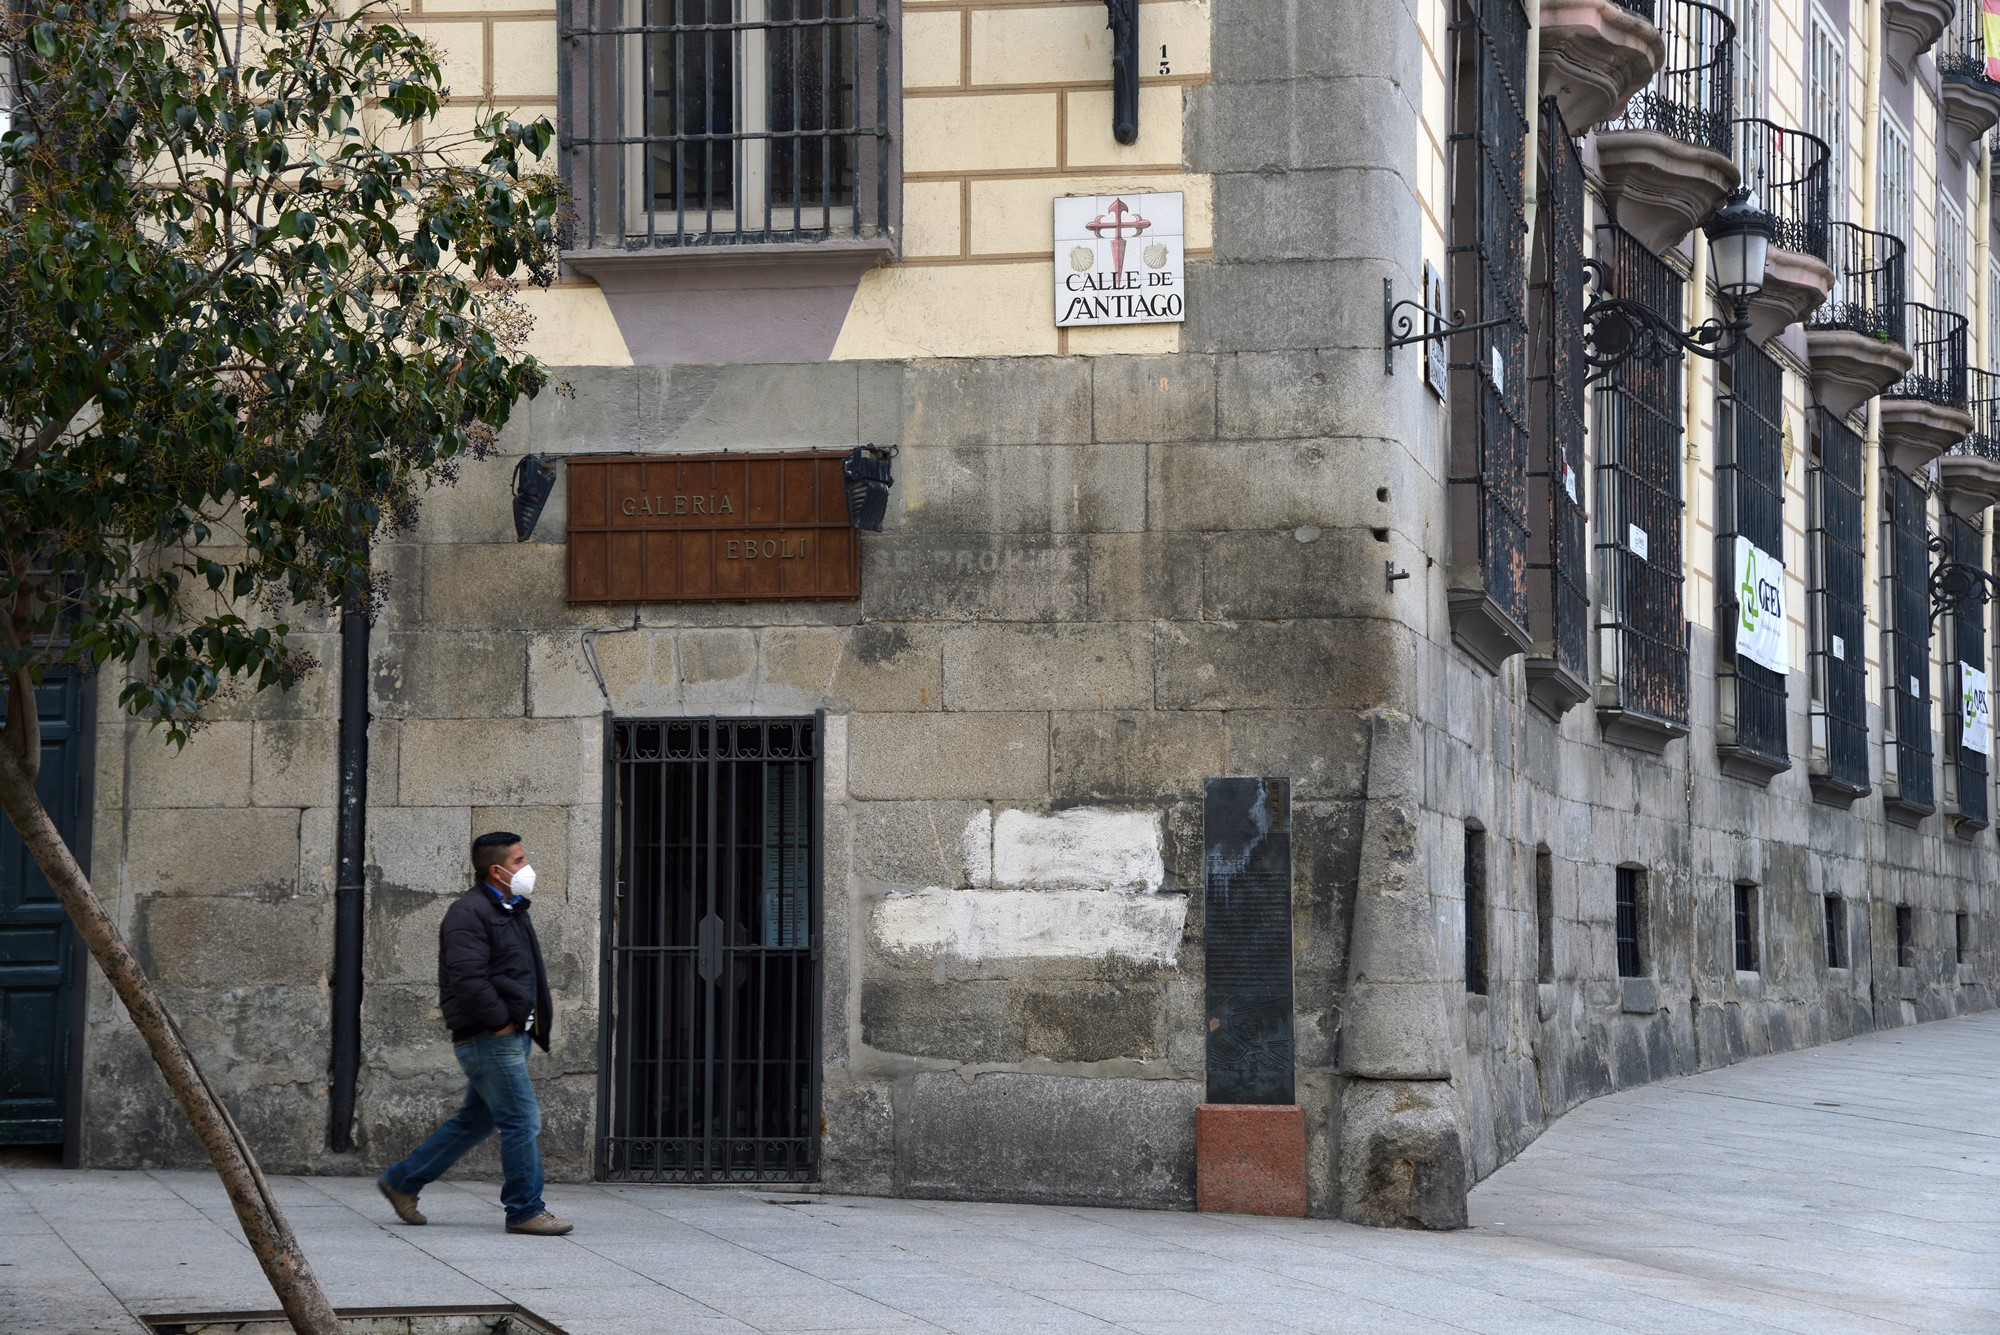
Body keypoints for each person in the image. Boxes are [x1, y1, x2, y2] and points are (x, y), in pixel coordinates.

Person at [377, 830, 573, 1236]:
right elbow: (467, 977)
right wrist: (499, 1021)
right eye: (519, 861)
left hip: (508, 1034)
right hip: (490, 1037)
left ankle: (402, 1181)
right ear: (497, 870)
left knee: (476, 1120)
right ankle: (524, 1209)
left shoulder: (508, 906)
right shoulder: (469, 912)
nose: (527, 867)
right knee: (522, 1120)